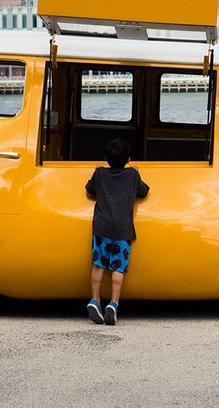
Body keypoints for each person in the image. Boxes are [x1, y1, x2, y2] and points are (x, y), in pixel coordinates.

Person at [85, 138, 149, 325]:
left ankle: (95, 299)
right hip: (122, 230)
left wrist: (96, 171)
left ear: (105, 158)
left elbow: (89, 190)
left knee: (98, 265)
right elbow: (144, 191)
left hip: (101, 228)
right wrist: (137, 172)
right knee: (118, 268)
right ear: (128, 159)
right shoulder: (132, 175)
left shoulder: (100, 174)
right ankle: (113, 303)